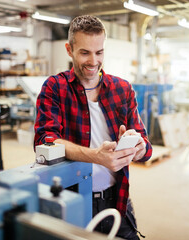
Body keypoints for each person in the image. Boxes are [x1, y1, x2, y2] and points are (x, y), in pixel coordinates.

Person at [34, 15, 152, 239]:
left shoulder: (122, 89)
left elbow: (147, 148)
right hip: (73, 200)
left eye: (99, 52)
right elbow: (44, 140)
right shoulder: (55, 87)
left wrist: (138, 147)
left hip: (117, 200)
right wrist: (95, 156)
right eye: (85, 52)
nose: (93, 61)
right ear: (69, 50)